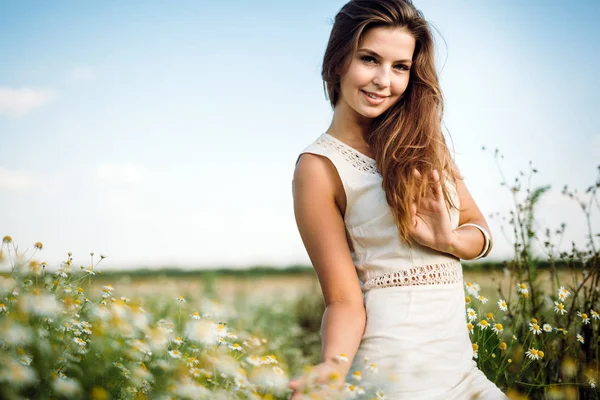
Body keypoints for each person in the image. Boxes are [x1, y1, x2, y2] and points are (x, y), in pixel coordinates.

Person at [289, 0, 508, 398]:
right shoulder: (318, 167)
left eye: (400, 67)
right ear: (338, 60)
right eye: (369, 59)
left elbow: (480, 231)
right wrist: (331, 371)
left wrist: (449, 242)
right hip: (397, 373)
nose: (383, 80)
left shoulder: (424, 143)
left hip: (463, 370)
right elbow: (342, 300)